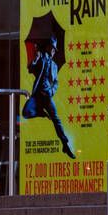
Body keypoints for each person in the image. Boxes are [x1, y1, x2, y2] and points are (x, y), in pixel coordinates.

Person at [22, 28, 74, 159]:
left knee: (56, 119)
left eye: (54, 50)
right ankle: (41, 113)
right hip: (37, 95)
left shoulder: (55, 65)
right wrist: (35, 59)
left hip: (47, 96)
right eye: (52, 49)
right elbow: (31, 68)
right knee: (25, 113)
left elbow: (55, 82)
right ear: (48, 47)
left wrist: (51, 91)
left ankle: (65, 144)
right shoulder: (40, 58)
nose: (53, 52)